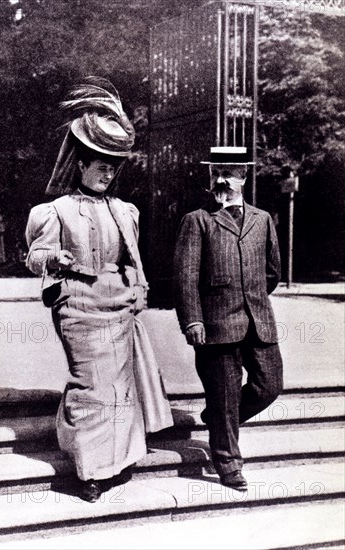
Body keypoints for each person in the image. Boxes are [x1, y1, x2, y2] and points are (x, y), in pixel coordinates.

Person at [25, 77, 173, 503]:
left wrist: (137, 288)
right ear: (82, 165)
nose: (109, 173)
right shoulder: (54, 210)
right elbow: (34, 256)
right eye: (101, 165)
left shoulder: (126, 211)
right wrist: (55, 259)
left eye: (114, 166)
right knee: (90, 384)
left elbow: (133, 260)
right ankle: (89, 470)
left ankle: (116, 461)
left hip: (118, 307)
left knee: (119, 387)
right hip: (78, 306)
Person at [173, 146, 283, 491]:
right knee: (223, 396)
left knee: (269, 386)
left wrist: (250, 295)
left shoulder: (262, 219)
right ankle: (229, 464)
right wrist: (193, 320)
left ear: (244, 177)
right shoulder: (197, 220)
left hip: (259, 322)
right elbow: (185, 277)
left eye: (230, 173)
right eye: (216, 173)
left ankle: (218, 419)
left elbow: (272, 271)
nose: (221, 180)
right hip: (216, 326)